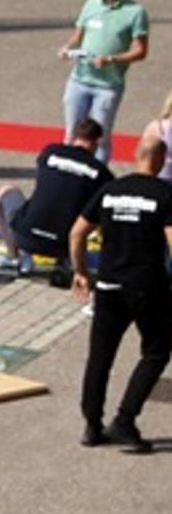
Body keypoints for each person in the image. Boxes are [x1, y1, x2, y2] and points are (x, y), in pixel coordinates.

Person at [74, 135, 172, 450]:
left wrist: (81, 272)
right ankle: (125, 420)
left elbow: (77, 232)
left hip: (108, 285)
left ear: (135, 156)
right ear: (161, 161)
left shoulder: (110, 190)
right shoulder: (165, 194)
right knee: (157, 351)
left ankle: (91, 425)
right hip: (146, 286)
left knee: (100, 356)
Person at [0, 113, 112, 287]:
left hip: (25, 235)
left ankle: (14, 258)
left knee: (6, 191)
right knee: (93, 212)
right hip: (64, 244)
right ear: (96, 144)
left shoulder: (49, 152)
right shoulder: (102, 174)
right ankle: (65, 261)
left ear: (73, 137)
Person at [61, 0, 148, 134]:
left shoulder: (135, 12)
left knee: (100, 136)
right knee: (71, 133)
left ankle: (99, 162)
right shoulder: (91, 4)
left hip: (107, 86)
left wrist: (111, 59)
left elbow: (141, 51)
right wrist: (67, 48)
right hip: (79, 80)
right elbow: (78, 36)